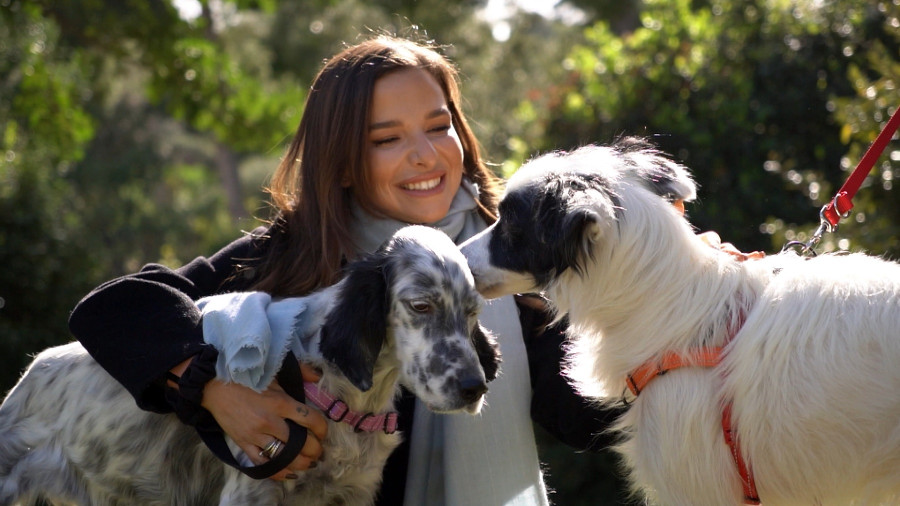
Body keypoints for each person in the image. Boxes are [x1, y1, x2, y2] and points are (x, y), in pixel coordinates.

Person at [69, 34, 616, 505]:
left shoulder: (507, 266)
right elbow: (112, 310)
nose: (425, 155)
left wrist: (631, 300)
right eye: (387, 139)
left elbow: (584, 420)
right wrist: (212, 389)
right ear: (344, 162)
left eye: (438, 126)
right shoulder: (294, 252)